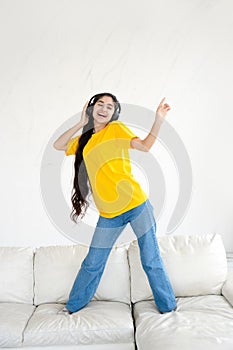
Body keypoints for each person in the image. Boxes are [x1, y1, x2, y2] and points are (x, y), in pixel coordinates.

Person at [53, 92, 177, 315]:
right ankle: (73, 307)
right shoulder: (85, 140)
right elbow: (58, 145)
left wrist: (158, 120)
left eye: (110, 107)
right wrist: (81, 122)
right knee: (93, 261)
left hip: (136, 205)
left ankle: (168, 308)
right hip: (109, 213)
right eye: (100, 104)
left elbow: (145, 146)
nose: (104, 109)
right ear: (91, 108)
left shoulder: (116, 129)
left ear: (114, 113)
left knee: (150, 258)